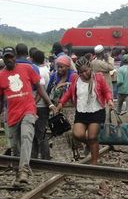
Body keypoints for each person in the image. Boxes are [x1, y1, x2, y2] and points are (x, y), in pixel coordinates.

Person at [0, 47, 57, 184]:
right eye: (6, 57)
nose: (9, 60)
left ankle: (24, 170)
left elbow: (39, 87)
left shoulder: (26, 68)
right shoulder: (1, 75)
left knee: (26, 136)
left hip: (28, 110)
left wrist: (50, 104)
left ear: (15, 56)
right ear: (4, 59)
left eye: (11, 57)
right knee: (15, 147)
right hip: (12, 115)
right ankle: (19, 171)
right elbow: (0, 99)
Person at [57, 56, 114, 165]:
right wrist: (61, 103)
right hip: (81, 111)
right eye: (81, 72)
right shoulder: (75, 79)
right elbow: (69, 93)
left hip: (96, 111)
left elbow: (106, 91)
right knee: (77, 134)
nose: (83, 74)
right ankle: (91, 145)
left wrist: (110, 100)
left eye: (85, 71)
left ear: (90, 68)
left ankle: (94, 163)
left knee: (92, 136)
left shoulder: (98, 77)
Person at [31, 50, 51, 160]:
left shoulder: (37, 70)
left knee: (39, 134)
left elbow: (40, 89)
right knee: (40, 132)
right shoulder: (46, 70)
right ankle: (38, 157)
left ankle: (44, 157)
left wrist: (33, 103)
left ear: (32, 59)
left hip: (38, 105)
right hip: (43, 105)